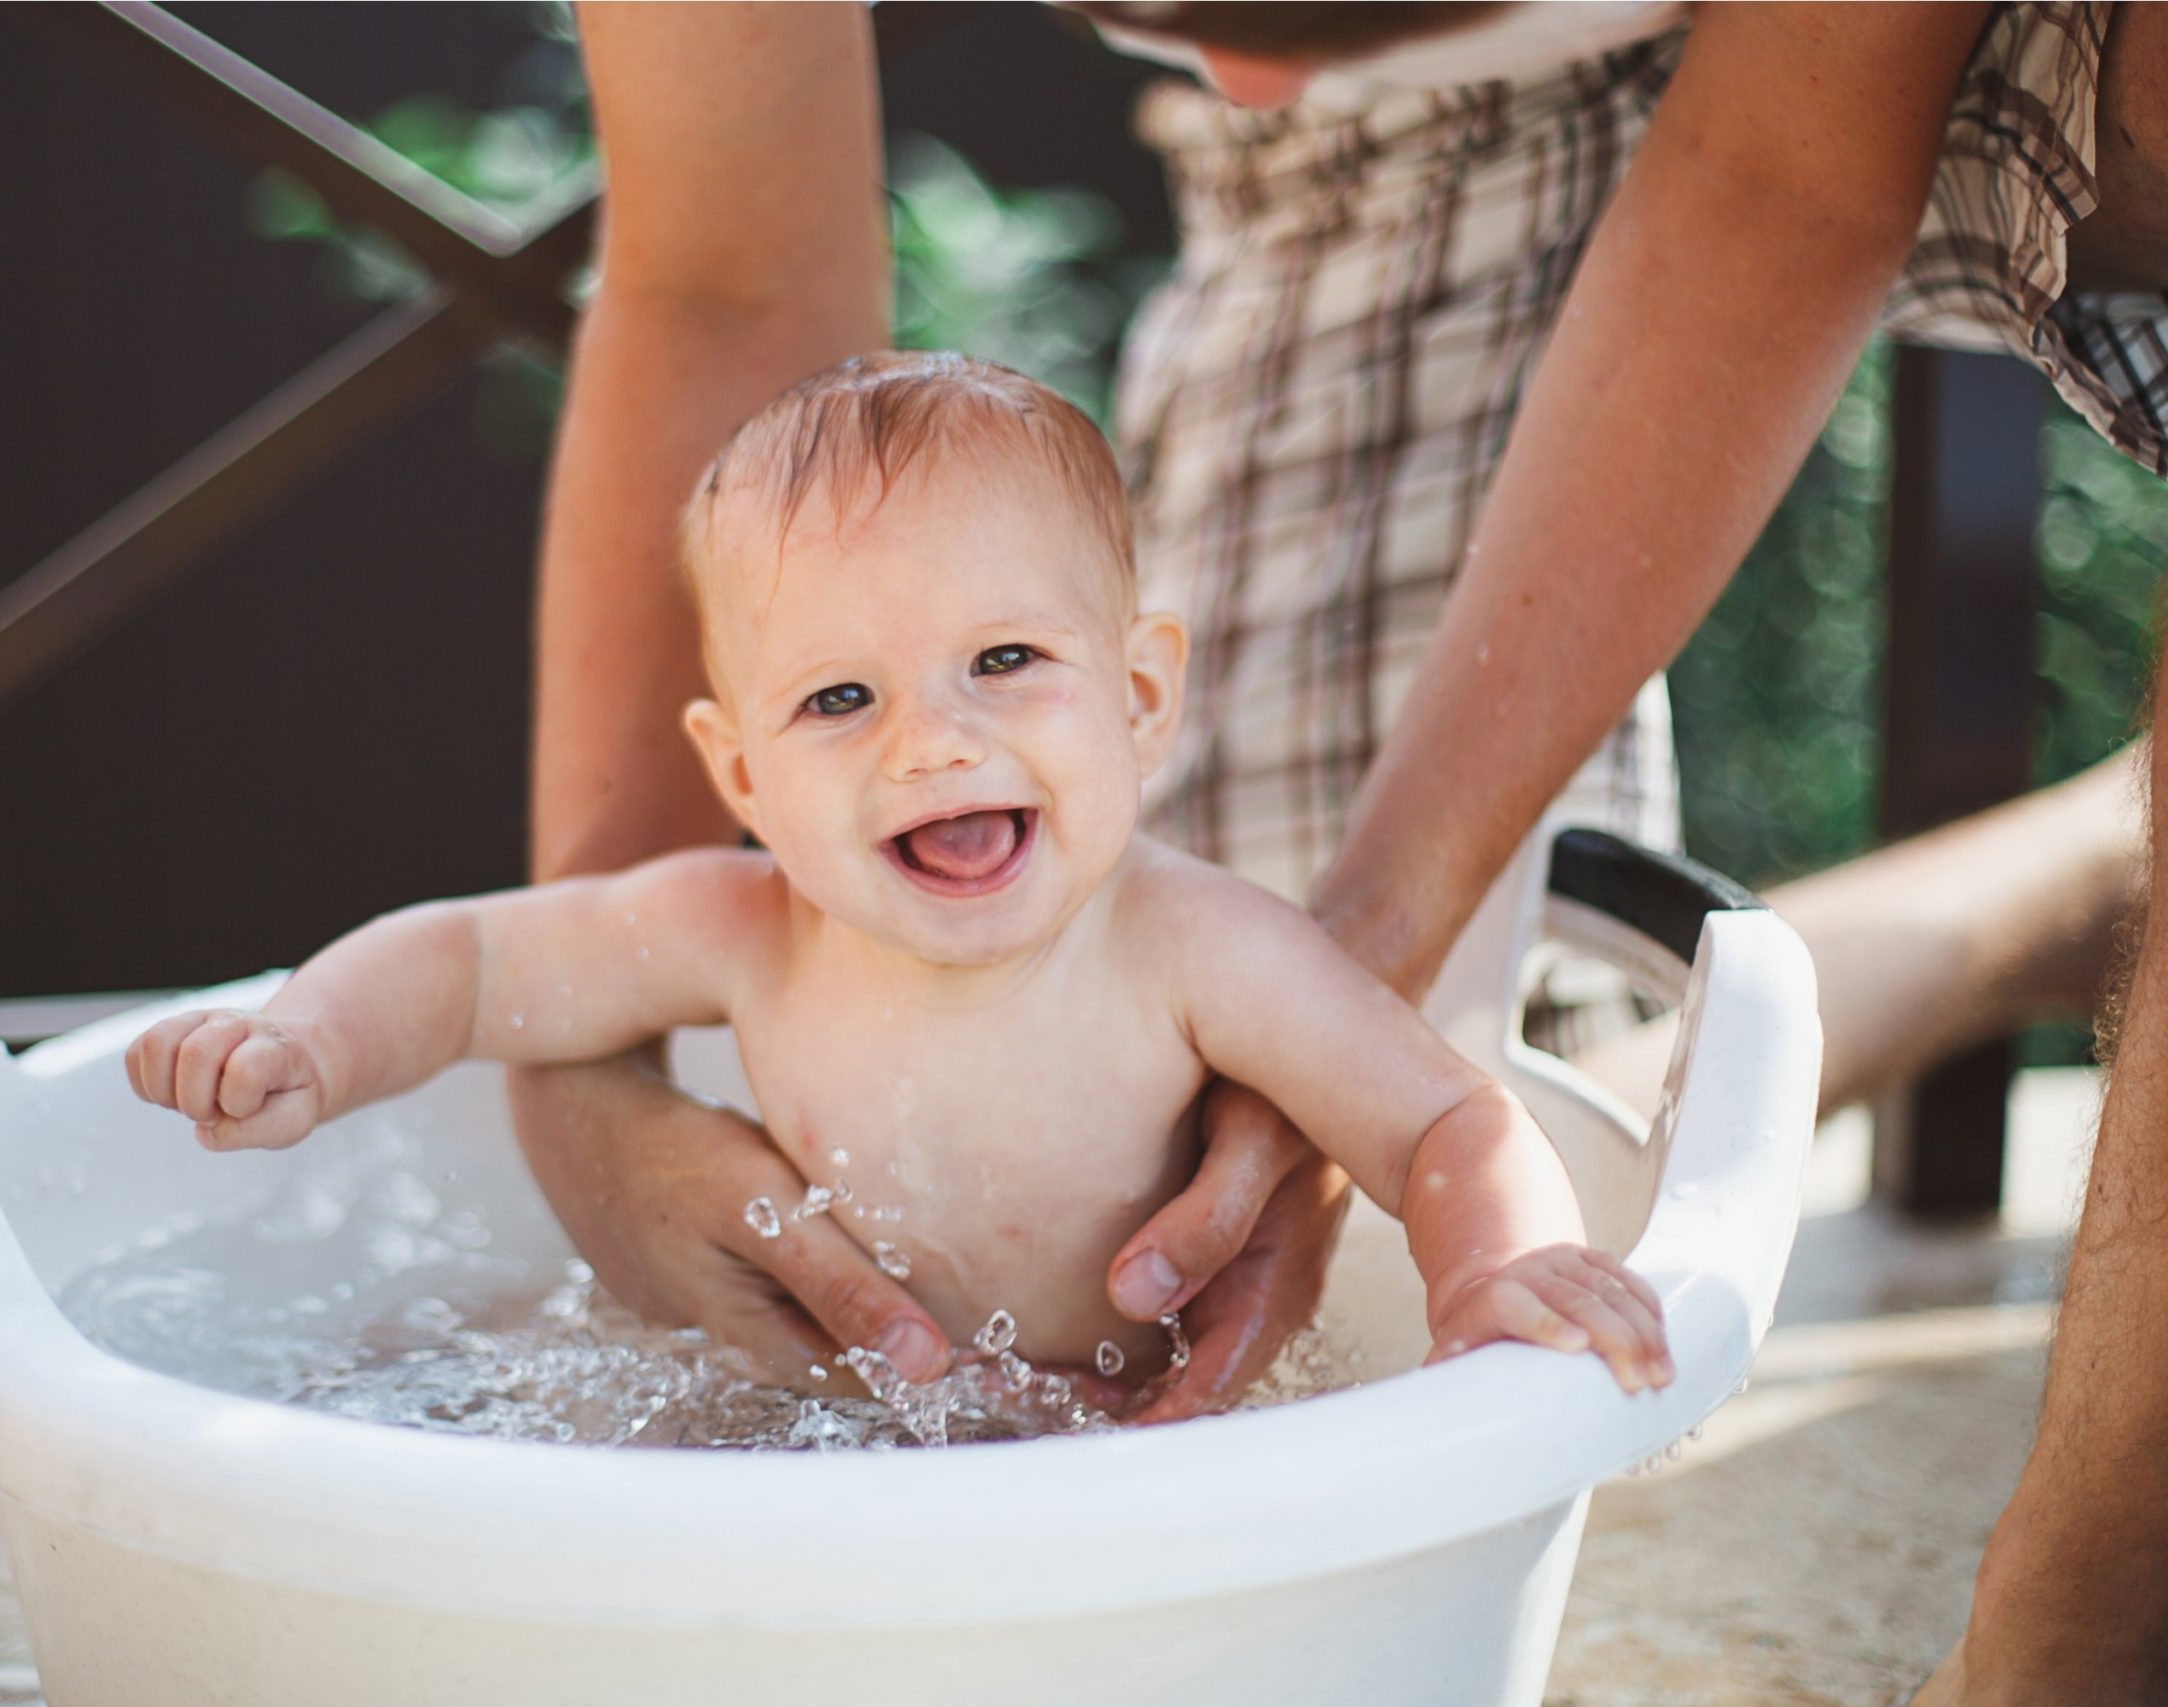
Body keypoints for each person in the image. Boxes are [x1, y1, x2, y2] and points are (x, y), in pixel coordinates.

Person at [524, 6, 2168, 1698]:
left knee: (1335, 1054)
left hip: (1895, 62)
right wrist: (583, 1091)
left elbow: (1779, 174)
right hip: (1388, 143)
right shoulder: (1277, 73)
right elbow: (724, 279)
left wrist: (1345, 1018)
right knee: (1179, 1131)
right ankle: (2071, 879)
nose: (1224, 72)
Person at [124, 352, 1672, 1399]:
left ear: (1141, 700)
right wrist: (308, 1040)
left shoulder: (1198, 951)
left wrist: (1503, 1270)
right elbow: (468, 966)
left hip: (1152, 1447)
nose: (932, 742)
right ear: (742, 777)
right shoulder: (747, 931)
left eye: (1006, 660)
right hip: (825, 1419)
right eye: (839, 700)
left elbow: (1451, 1123)